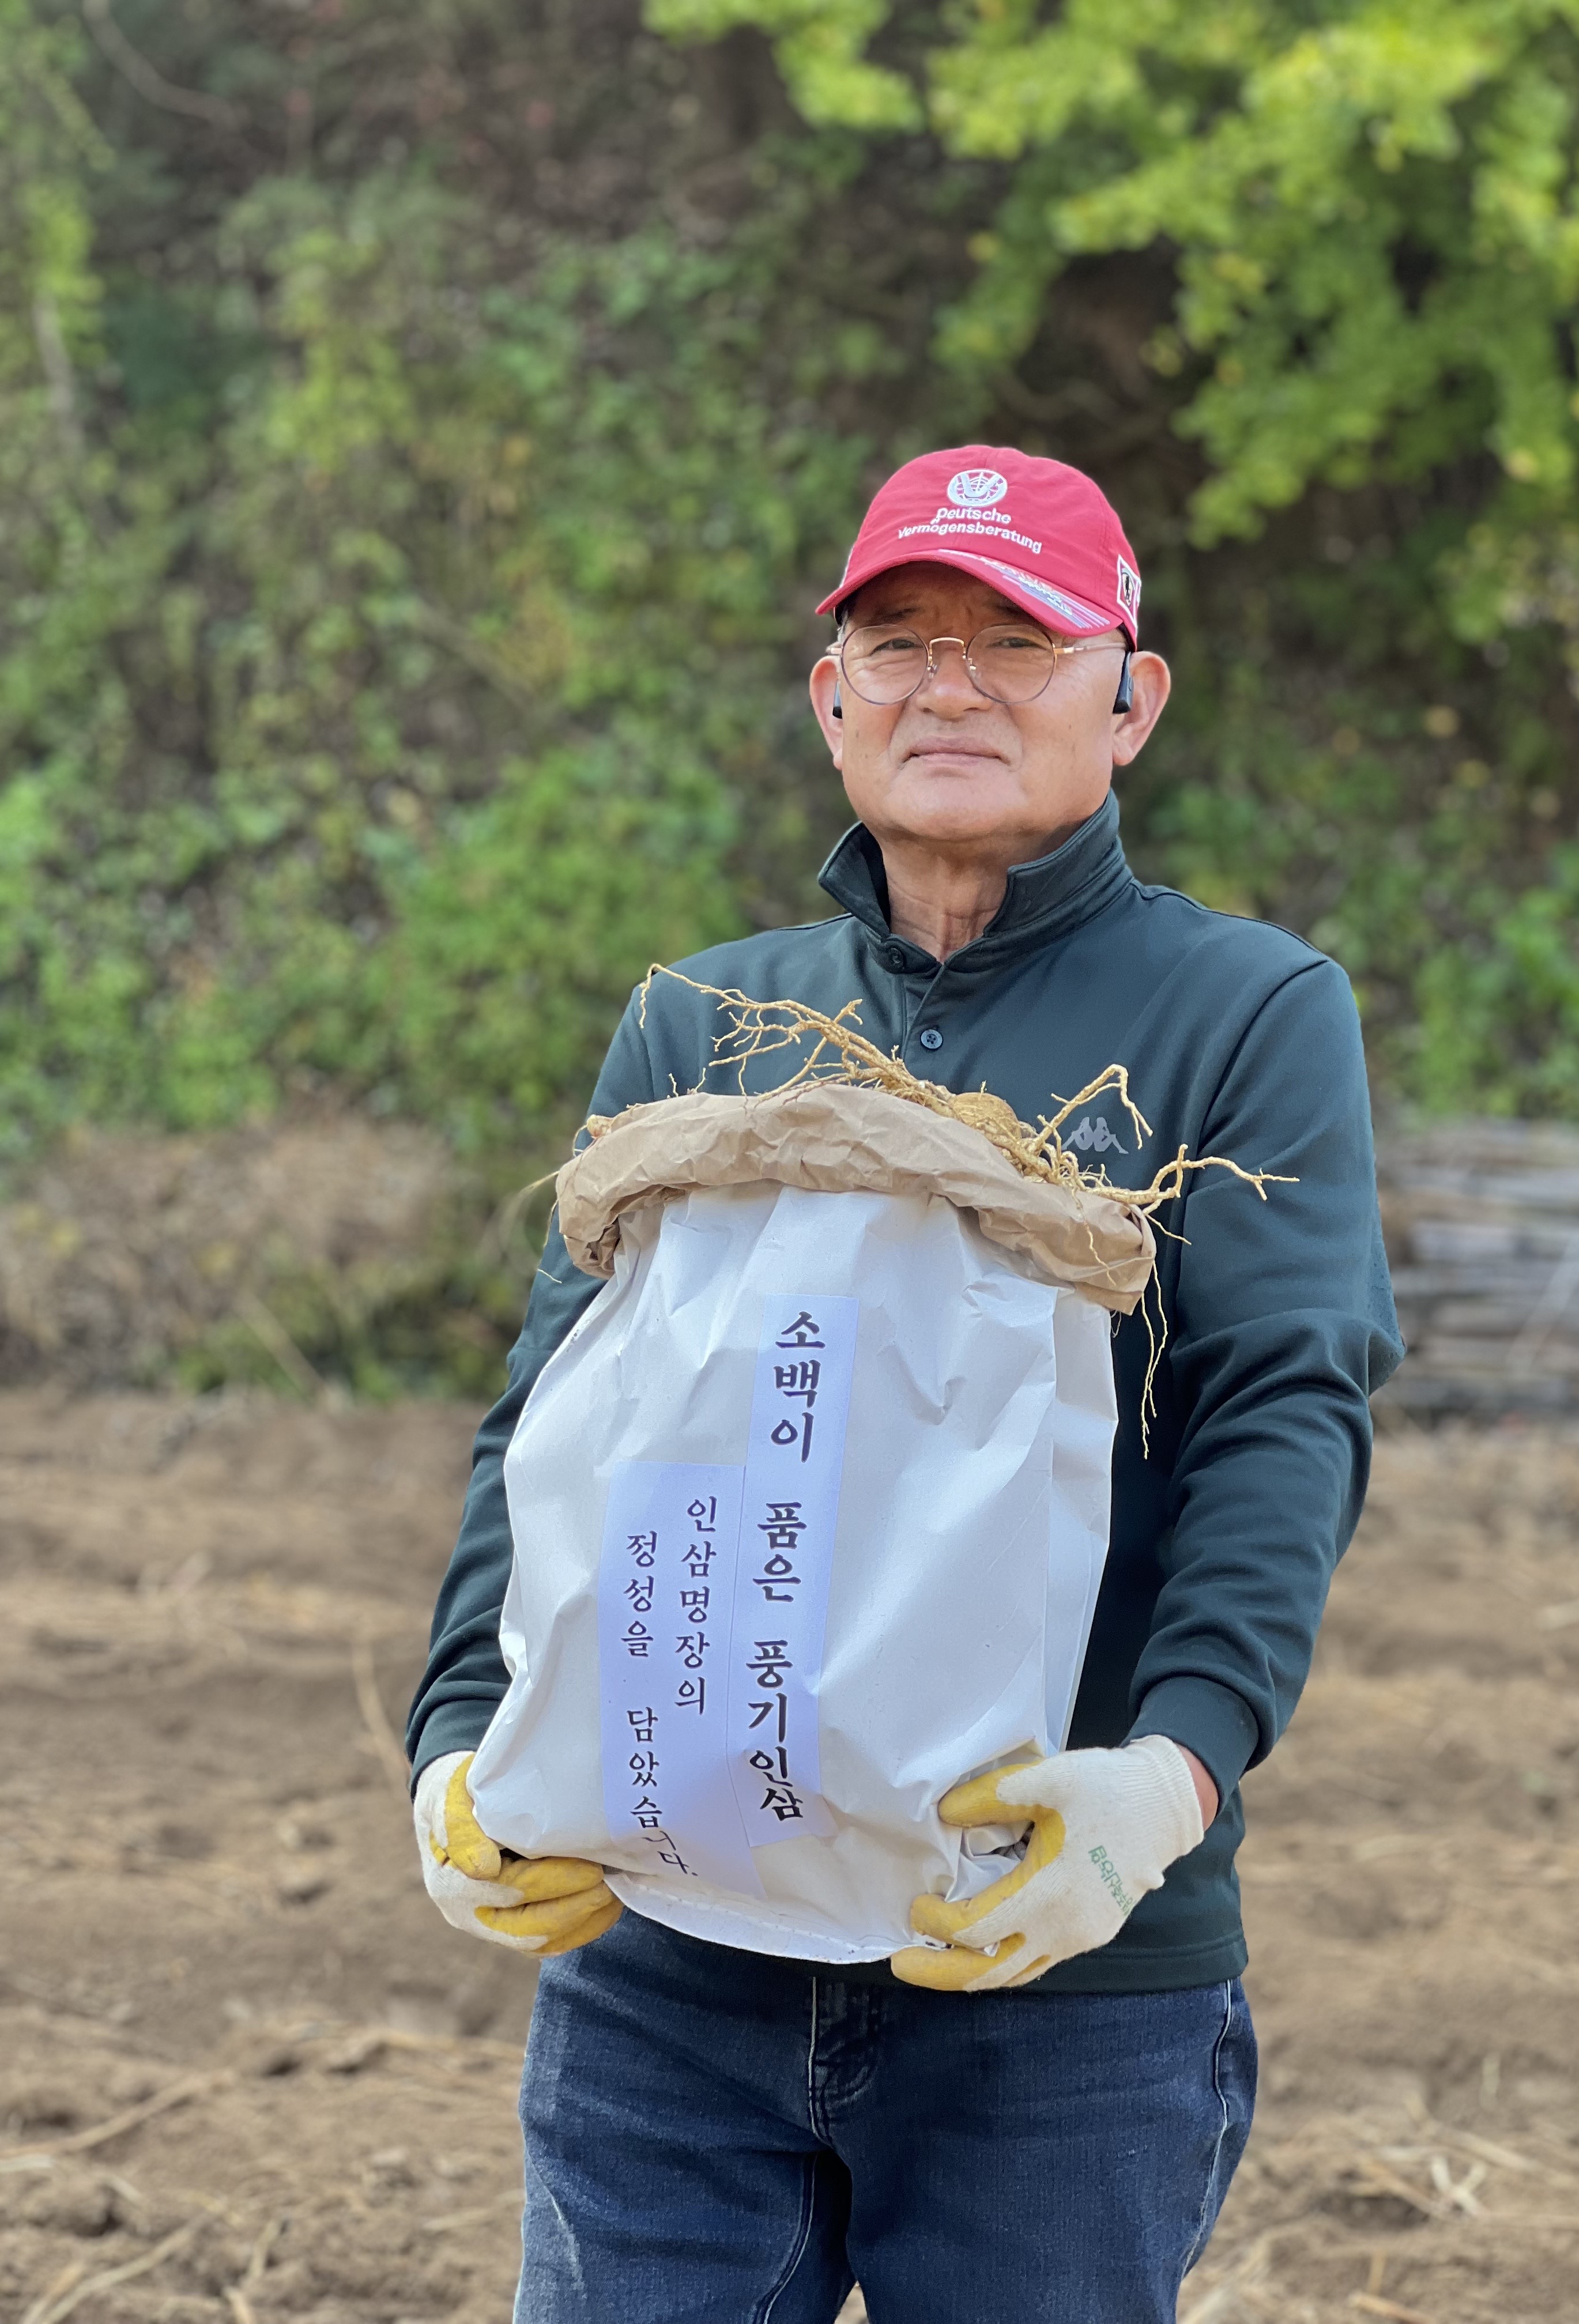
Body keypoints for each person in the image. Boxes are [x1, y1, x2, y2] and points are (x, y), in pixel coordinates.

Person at [406, 445, 1404, 2323]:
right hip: (671, 1970)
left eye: (1016, 639)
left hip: (1052, 1983)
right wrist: (458, 1737)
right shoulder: (703, 1022)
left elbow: (1290, 1411)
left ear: (1132, 692)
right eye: (902, 637)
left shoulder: (1246, 1014)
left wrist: (1163, 1785)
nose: (953, 682)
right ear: (833, 696)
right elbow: (558, 1412)